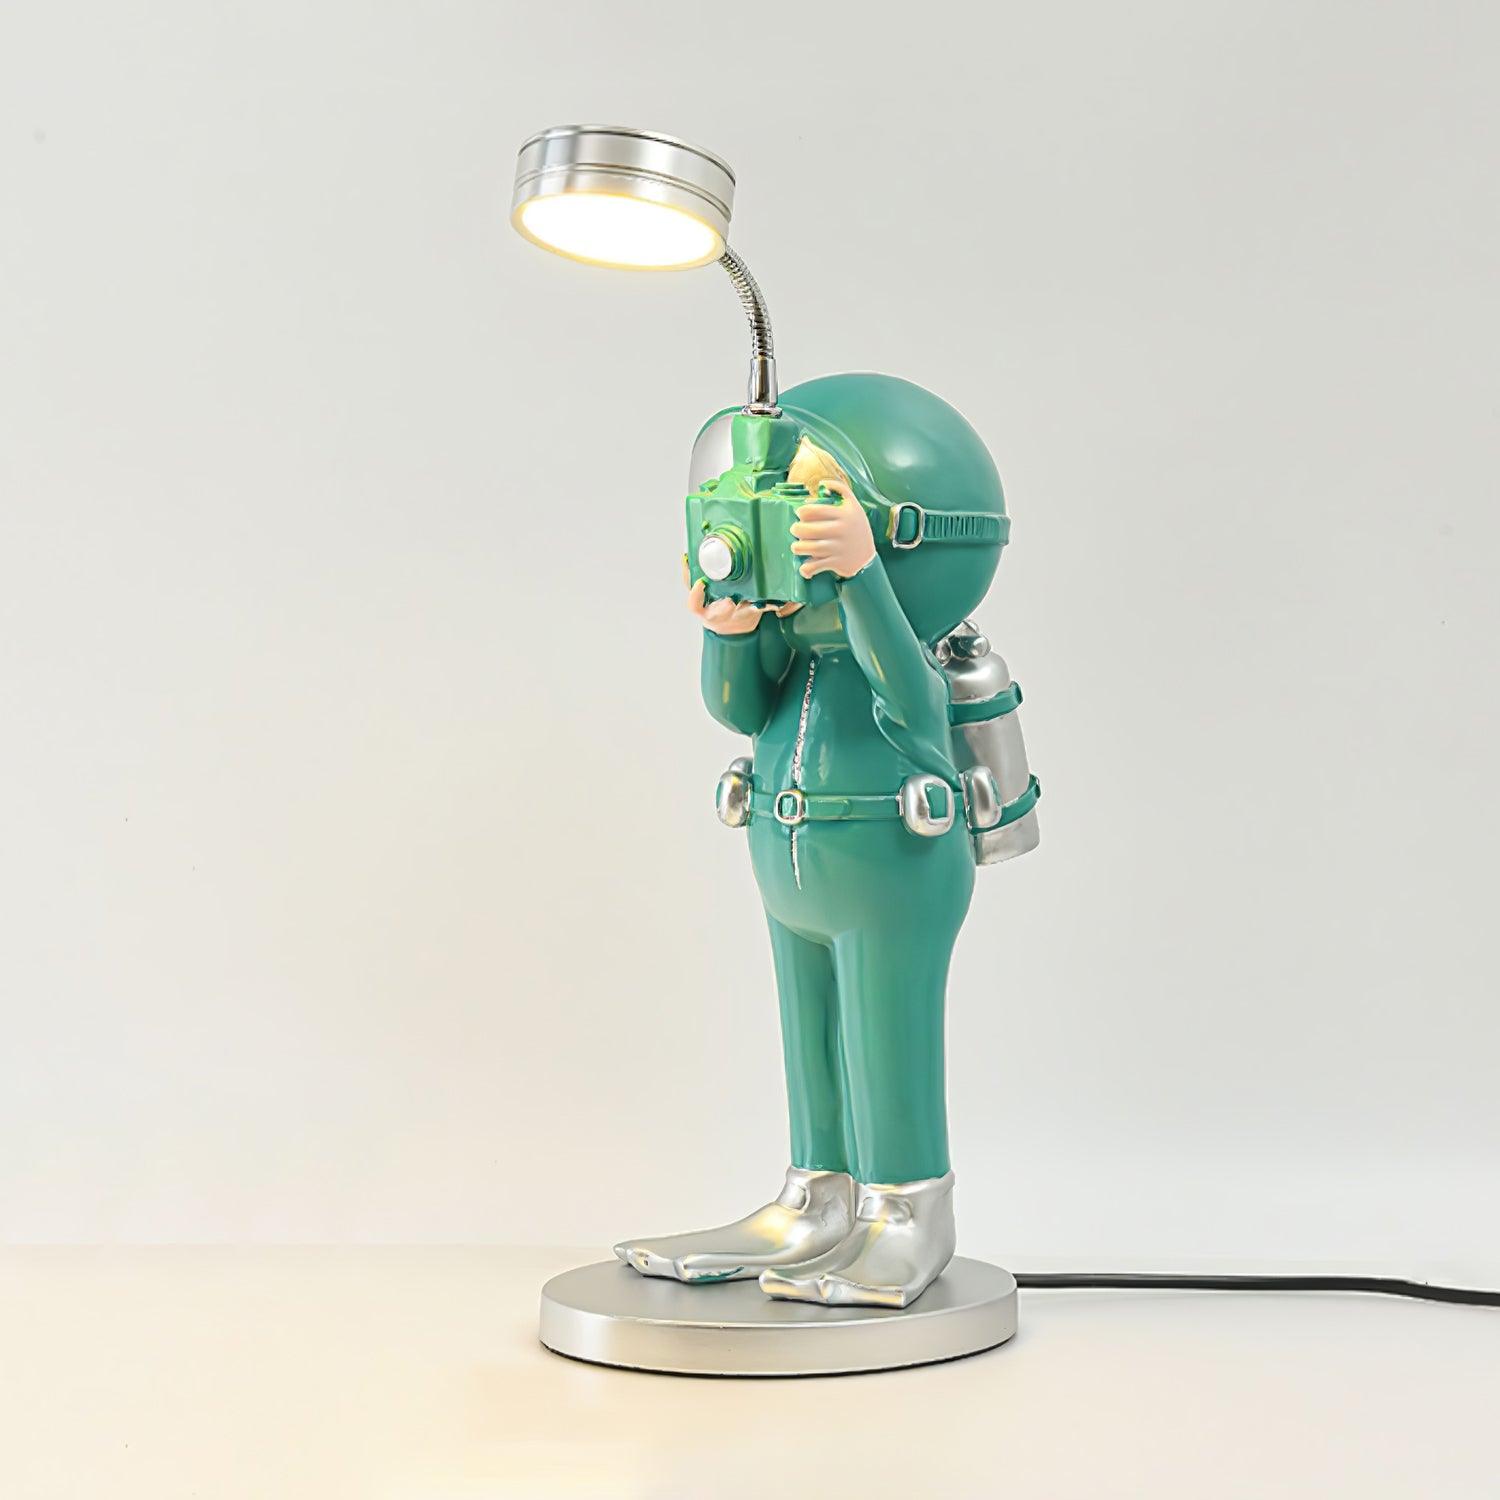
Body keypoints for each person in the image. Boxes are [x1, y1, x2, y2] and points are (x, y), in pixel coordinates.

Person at [615, 373, 1009, 1309]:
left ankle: (908, 1211)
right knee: (811, 1039)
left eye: (812, 499)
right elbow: (738, 708)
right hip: (790, 857)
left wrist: (863, 575)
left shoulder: (903, 651)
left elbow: (910, 707)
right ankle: (816, 1198)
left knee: (885, 1032)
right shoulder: (796, 655)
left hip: (890, 866)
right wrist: (729, 629)